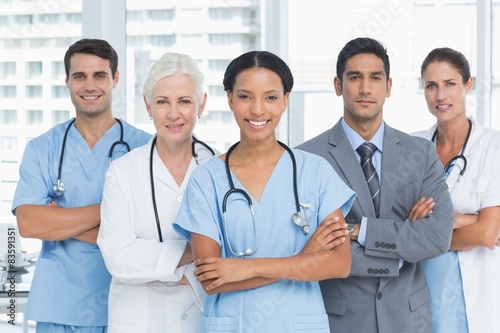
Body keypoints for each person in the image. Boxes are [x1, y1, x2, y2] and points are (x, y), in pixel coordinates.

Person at [172, 50, 356, 333]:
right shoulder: (206, 180)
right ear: (230, 99)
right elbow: (211, 280)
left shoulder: (316, 172)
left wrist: (245, 268)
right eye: (245, 96)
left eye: (270, 97)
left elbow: (339, 264)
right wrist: (302, 261)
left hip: (299, 323)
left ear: (285, 101)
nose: (258, 109)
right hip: (233, 324)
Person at [297, 37, 455, 333]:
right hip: (341, 321)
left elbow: (438, 236)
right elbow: (312, 249)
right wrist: (403, 246)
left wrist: (357, 230)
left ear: (389, 86)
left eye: (375, 78)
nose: (365, 88)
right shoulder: (307, 158)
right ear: (337, 85)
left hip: (409, 321)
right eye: (355, 77)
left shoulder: (419, 153)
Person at [11, 38, 151, 333]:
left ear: (115, 79)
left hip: (126, 305)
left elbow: (149, 233)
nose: (89, 86)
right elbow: (29, 223)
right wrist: (113, 213)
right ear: (67, 81)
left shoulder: (144, 148)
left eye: (99, 75)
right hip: (59, 307)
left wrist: (58, 219)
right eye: (80, 76)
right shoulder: (42, 148)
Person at [97, 52, 217, 332]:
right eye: (162, 101)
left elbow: (235, 256)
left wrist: (155, 266)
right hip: (138, 322)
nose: (173, 113)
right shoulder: (122, 172)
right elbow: (118, 257)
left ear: (202, 104)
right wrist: (196, 253)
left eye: (184, 101)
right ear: (148, 105)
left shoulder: (223, 170)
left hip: (205, 320)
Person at [412, 47, 500, 333]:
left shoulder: (492, 146)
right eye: (431, 86)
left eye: (450, 84)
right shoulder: (412, 148)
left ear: (468, 84)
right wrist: (469, 219)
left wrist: (426, 230)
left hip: (477, 296)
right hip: (420, 291)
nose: (441, 96)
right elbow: (398, 226)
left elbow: (487, 234)